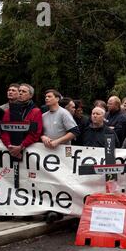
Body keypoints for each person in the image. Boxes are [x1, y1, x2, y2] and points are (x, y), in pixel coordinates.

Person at [41, 89, 80, 223]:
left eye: (49, 96)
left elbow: (75, 131)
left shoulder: (64, 113)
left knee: (62, 180)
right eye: (45, 96)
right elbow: (39, 132)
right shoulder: (43, 115)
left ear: (57, 99)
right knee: (48, 180)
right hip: (47, 154)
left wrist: (58, 141)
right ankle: (49, 208)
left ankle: (60, 209)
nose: (46, 98)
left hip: (63, 153)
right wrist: (43, 137)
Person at [0, 83, 42, 160]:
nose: (20, 93)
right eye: (19, 91)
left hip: (29, 153)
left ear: (30, 96)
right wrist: (10, 146)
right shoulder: (8, 111)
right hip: (10, 150)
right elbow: (3, 131)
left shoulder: (36, 111)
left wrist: (21, 147)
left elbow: (35, 134)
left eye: (24, 91)